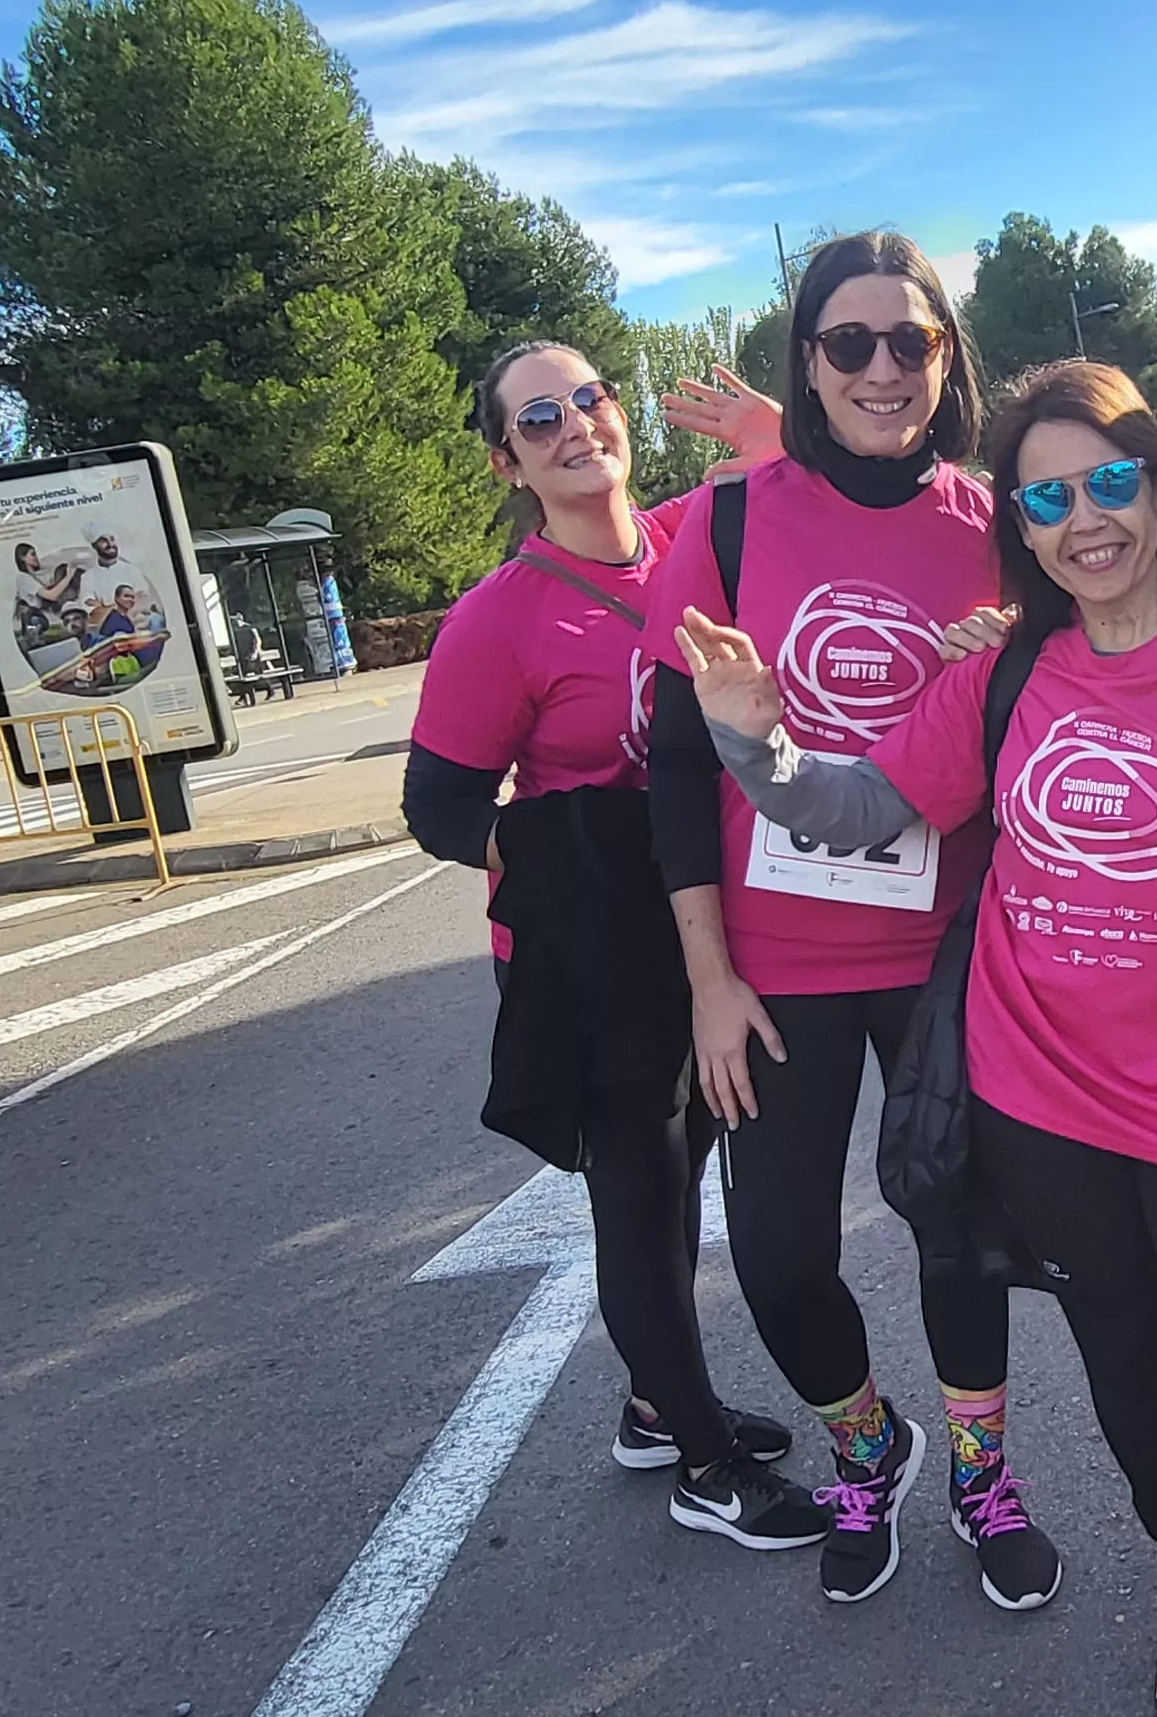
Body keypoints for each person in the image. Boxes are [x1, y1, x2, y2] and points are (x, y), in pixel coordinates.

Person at [679, 359, 1157, 1713]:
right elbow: (863, 813)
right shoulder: (1006, 677)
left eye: (1107, 483)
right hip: (1044, 1102)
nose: (1085, 518)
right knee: (1130, 1370)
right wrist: (757, 748)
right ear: (1020, 528)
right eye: (1047, 497)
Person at [640, 231, 1058, 1611]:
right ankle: (867, 1443)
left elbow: (1080, 702)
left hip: (950, 945)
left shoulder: (1004, 519)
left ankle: (983, 1474)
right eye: (849, 344)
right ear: (807, 362)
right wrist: (705, 976)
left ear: (948, 359)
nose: (883, 369)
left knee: (959, 1225)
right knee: (774, 1256)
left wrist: (1016, 668)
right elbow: (681, 766)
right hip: (778, 963)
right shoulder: (726, 522)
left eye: (912, 342)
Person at [401, 341, 828, 1550]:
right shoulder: (498, 620)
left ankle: (655, 1404)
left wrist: (769, 428)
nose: (577, 424)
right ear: (508, 461)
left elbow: (816, 483)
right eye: (540, 419)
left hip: (699, 926)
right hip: (592, 949)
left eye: (590, 398)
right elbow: (439, 809)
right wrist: (562, 862)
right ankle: (700, 1461)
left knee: (683, 1174)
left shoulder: (690, 536)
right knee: (638, 1197)